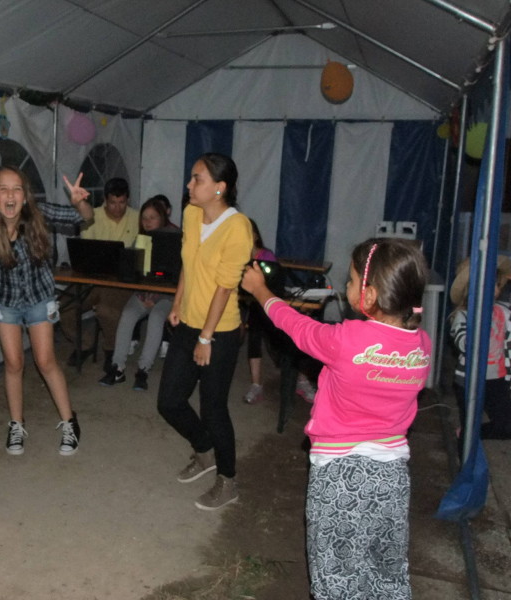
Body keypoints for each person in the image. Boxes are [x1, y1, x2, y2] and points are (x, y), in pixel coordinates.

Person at [242, 237, 431, 599]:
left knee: (336, 579)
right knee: (387, 575)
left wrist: (261, 290)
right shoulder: (421, 346)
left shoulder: (347, 339)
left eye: (351, 280)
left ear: (370, 295)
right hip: (393, 478)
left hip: (340, 478)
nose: (345, 287)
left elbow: (294, 325)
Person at [0, 166, 93, 456]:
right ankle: (16, 424)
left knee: (45, 361)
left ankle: (70, 422)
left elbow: (84, 217)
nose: (10, 195)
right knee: (13, 364)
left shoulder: (39, 213)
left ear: (25, 196)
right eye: (4, 189)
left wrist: (80, 202)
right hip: (4, 300)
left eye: (17, 189)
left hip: (38, 297)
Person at [157, 153, 252, 511]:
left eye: (197, 179)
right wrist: (177, 302)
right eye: (191, 177)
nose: (189, 185)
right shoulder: (191, 213)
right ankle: (204, 450)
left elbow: (225, 287)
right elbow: (188, 263)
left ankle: (228, 481)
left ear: (219, 187)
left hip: (220, 331)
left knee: (213, 409)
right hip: (188, 322)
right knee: (169, 401)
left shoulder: (238, 227)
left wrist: (206, 337)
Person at [60, 177, 140, 371]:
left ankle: (111, 350)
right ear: (105, 200)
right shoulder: (91, 216)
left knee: (106, 310)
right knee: (63, 306)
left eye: (122, 202)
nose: (117, 208)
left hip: (121, 283)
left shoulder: (138, 217)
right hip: (92, 278)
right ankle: (85, 344)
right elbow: (86, 251)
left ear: (128, 200)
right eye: (112, 203)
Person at [100, 198, 174, 391]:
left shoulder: (173, 239)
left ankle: (143, 369)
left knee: (156, 317)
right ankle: (117, 367)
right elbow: (133, 272)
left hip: (166, 296)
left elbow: (173, 276)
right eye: (144, 218)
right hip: (142, 294)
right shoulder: (140, 239)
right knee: (127, 315)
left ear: (162, 218)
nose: (147, 222)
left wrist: (154, 295)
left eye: (152, 217)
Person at [449, 256, 511, 450]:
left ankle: (470, 433)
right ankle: (465, 451)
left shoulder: (502, 311)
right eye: (488, 285)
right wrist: (480, 319)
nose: (494, 290)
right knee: (470, 422)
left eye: (497, 285)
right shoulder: (463, 316)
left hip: (497, 378)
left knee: (506, 426)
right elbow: (464, 343)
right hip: (469, 380)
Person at [240, 219, 277, 404]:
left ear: (255, 236)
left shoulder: (266, 256)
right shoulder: (237, 255)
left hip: (263, 303)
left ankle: (301, 379)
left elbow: (273, 285)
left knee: (274, 337)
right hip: (244, 301)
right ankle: (256, 384)